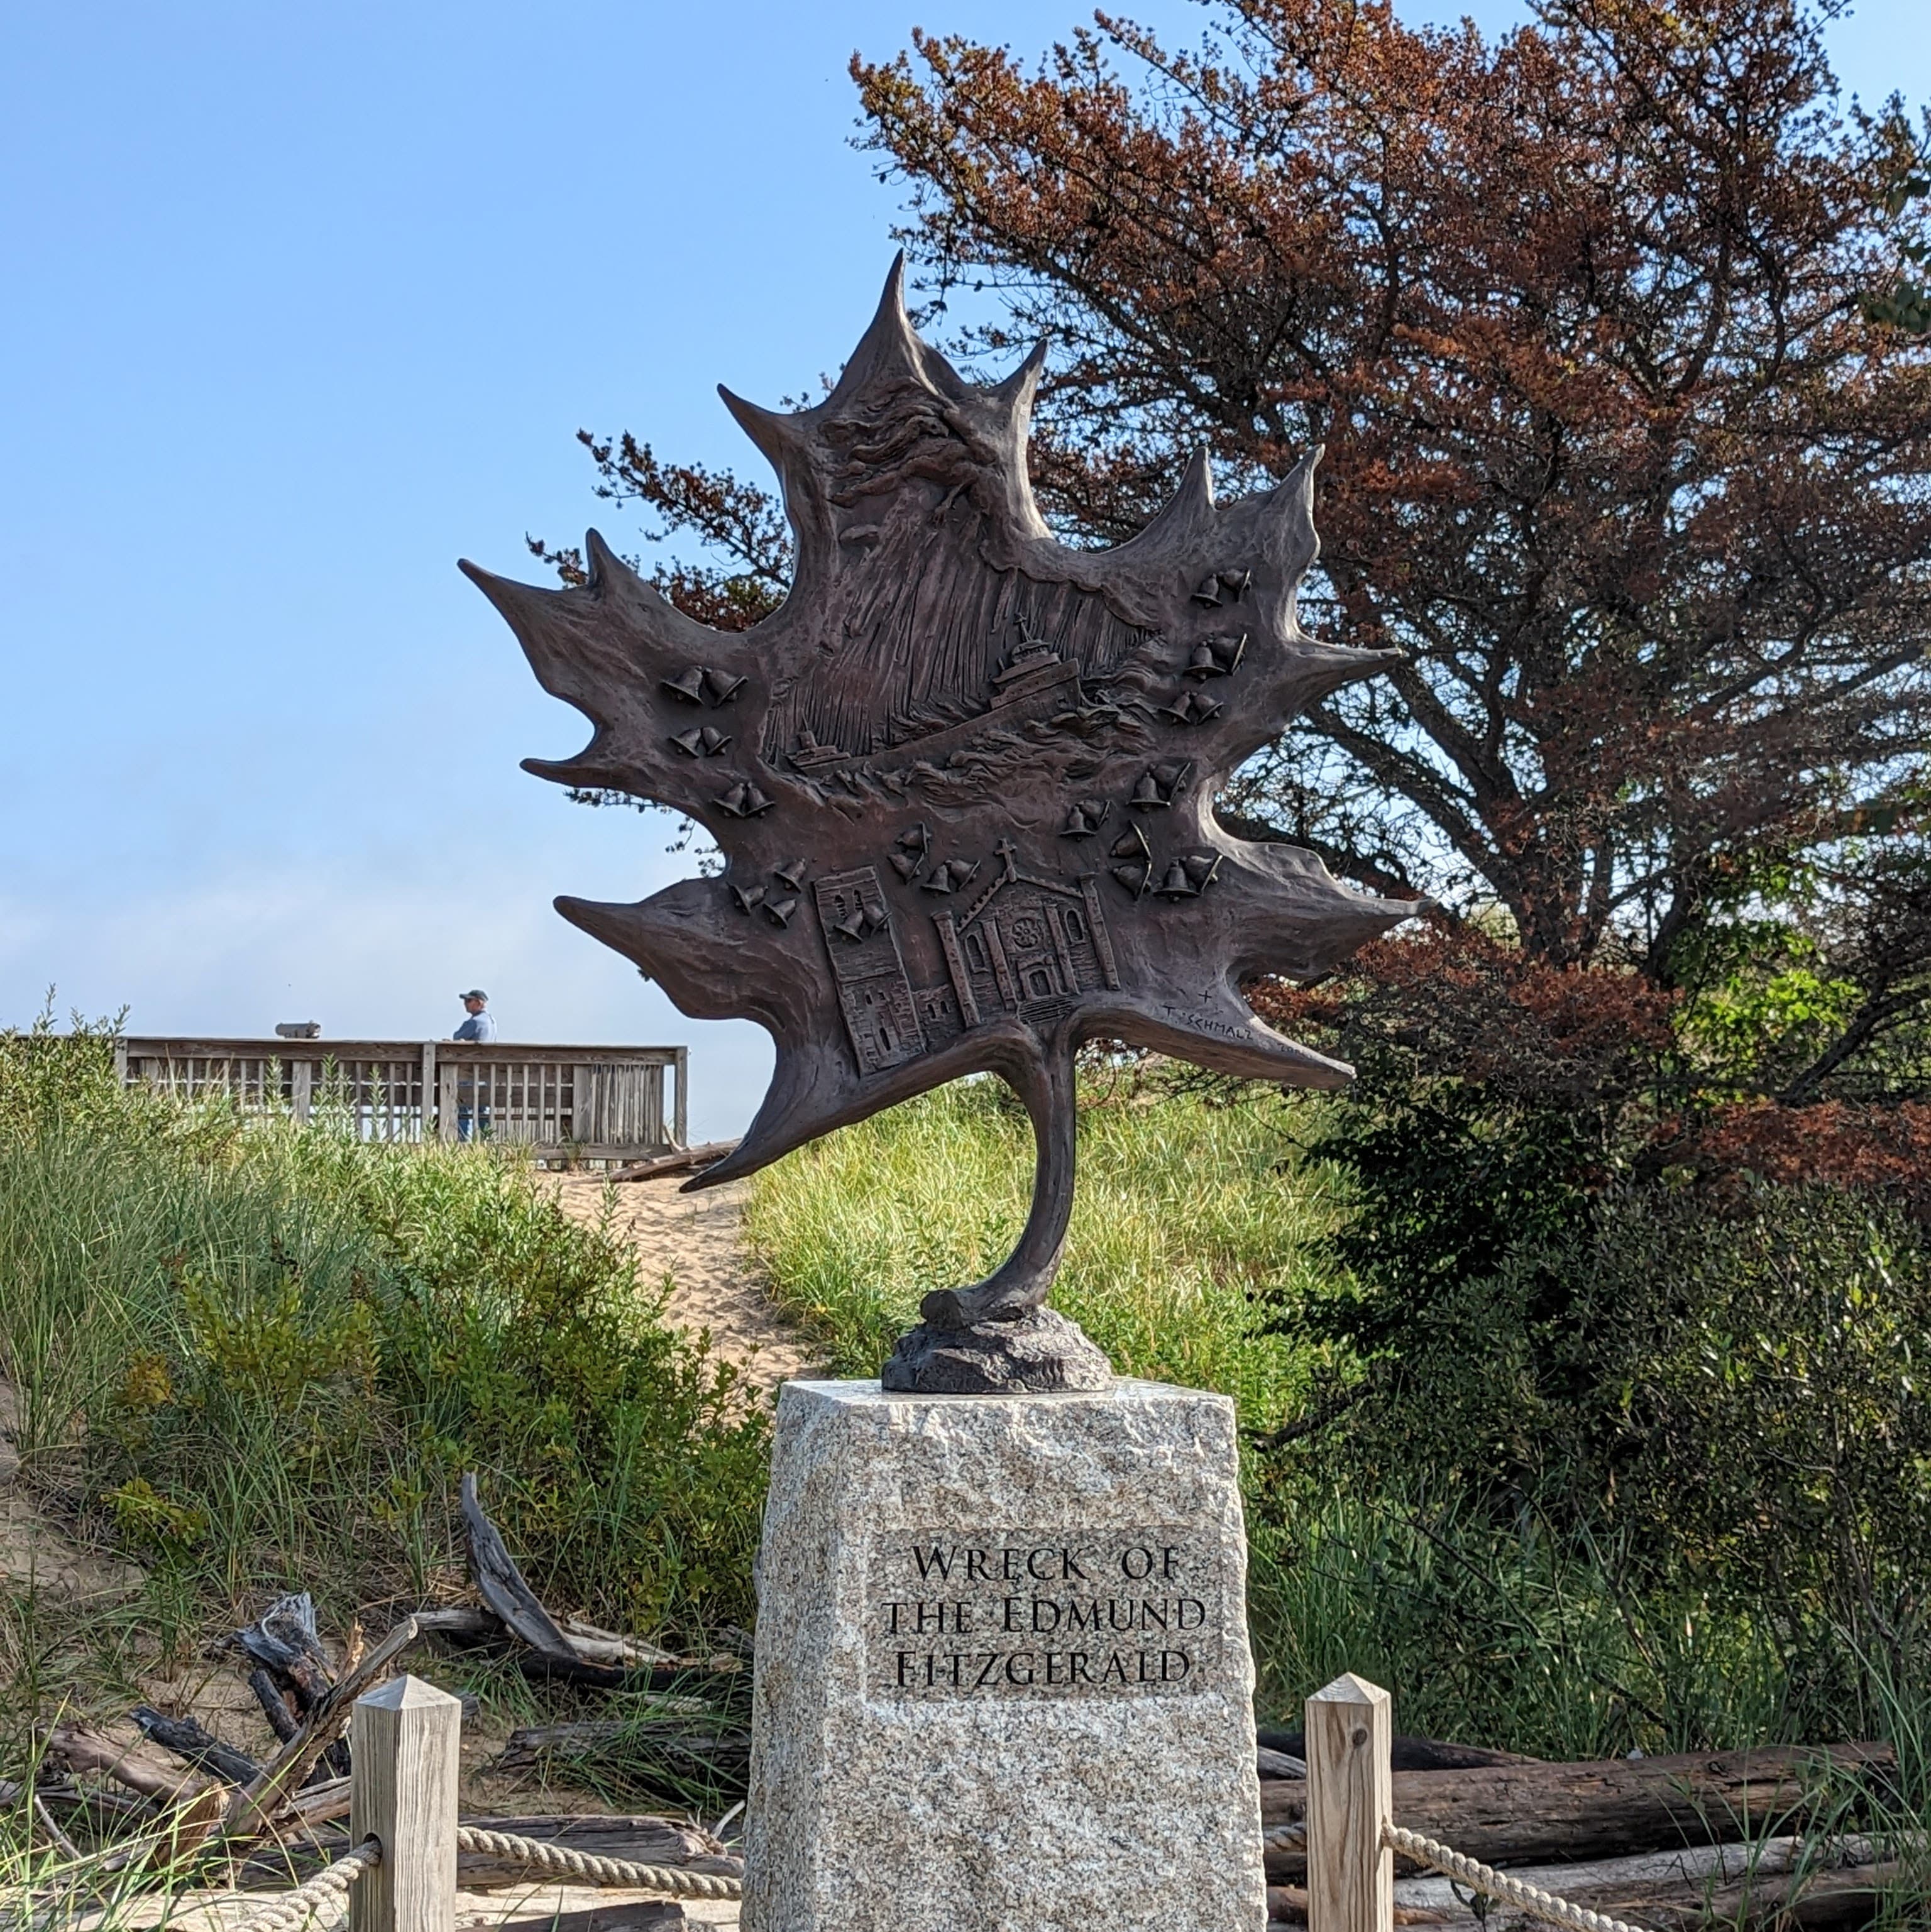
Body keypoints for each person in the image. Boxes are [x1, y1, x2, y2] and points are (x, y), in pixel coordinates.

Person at [452, 989, 495, 1139]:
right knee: (484, 1111)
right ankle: (487, 1142)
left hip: (469, 1073)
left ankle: (464, 1142)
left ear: (479, 1002)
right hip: (486, 1074)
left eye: (468, 1001)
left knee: (465, 1110)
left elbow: (457, 1037)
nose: (465, 1004)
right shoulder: (491, 1022)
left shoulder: (474, 1022)